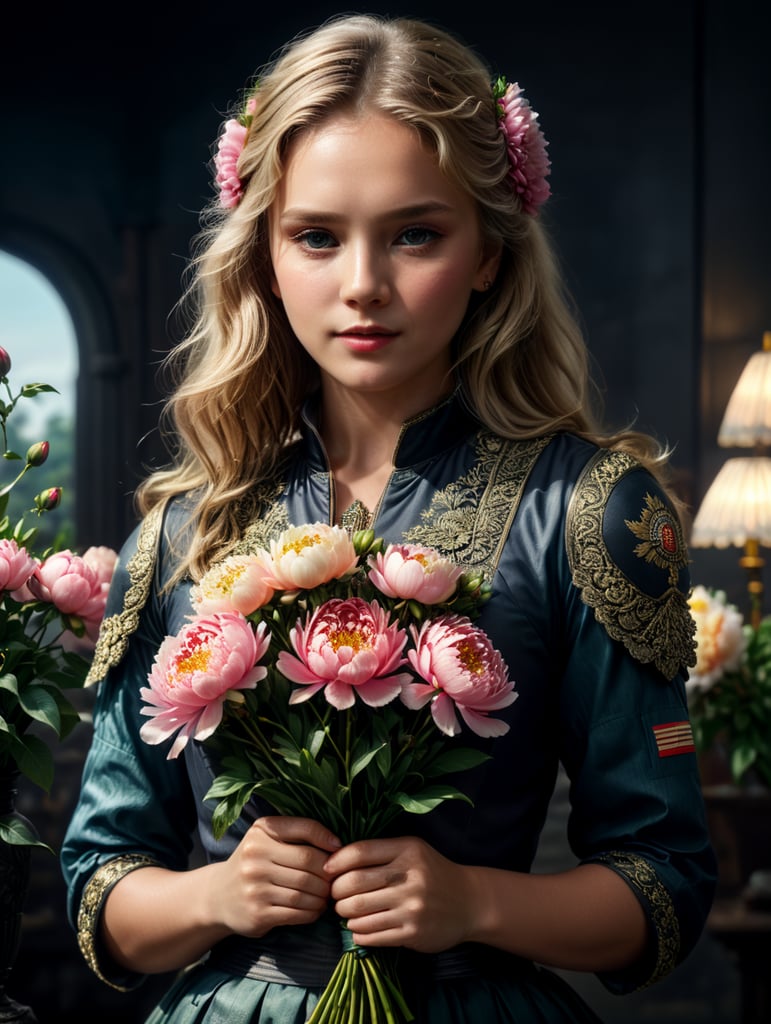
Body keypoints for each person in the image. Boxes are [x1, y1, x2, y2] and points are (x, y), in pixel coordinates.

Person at [61, 12, 717, 1023]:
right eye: (316, 237)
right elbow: (101, 889)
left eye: (415, 234)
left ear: (489, 250)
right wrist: (215, 895)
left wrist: (477, 902)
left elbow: (665, 883)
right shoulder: (185, 530)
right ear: (265, 255)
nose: (363, 285)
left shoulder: (587, 510)